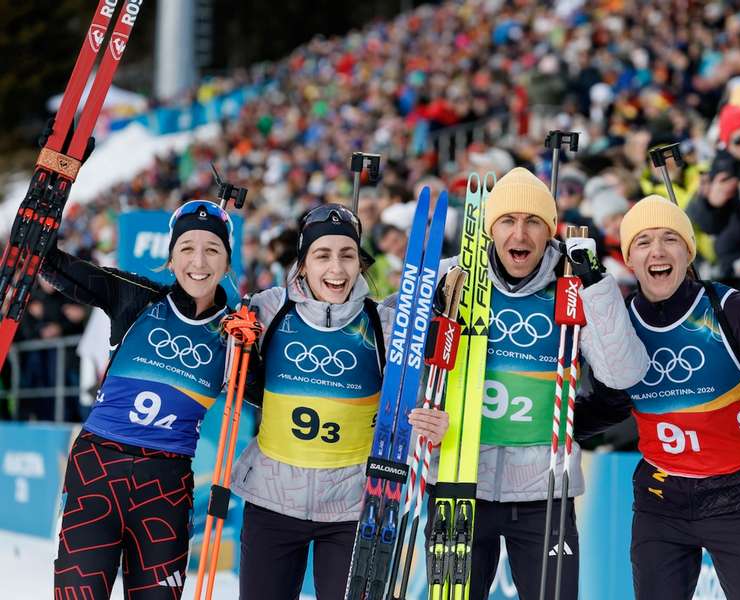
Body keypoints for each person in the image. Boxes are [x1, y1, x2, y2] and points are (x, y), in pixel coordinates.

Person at [577, 195, 740, 599]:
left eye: (670, 239)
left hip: (739, 495)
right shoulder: (621, 324)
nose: (658, 251)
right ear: (629, 258)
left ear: (687, 251)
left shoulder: (729, 309)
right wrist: (549, 422)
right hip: (660, 497)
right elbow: (610, 404)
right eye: (643, 242)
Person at [427, 167, 650, 600]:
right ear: (491, 228)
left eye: (533, 222)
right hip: (459, 479)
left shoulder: (573, 285)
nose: (520, 234)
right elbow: (391, 351)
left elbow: (623, 374)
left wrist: (597, 286)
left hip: (542, 491)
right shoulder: (450, 278)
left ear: (550, 230)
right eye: (508, 221)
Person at [230, 203, 448, 600]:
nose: (337, 268)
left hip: (353, 509)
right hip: (272, 501)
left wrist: (436, 422)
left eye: (347, 255)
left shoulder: (381, 323)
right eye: (322, 255)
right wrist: (233, 340)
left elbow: (418, 397)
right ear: (303, 263)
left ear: (360, 263)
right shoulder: (268, 309)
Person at [46, 200, 236, 599]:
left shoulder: (237, 334)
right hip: (98, 469)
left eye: (212, 249)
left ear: (227, 262)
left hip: (165, 487)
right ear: (170, 258)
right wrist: (37, 230)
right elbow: (56, 266)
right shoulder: (136, 297)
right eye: (186, 248)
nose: (198, 261)